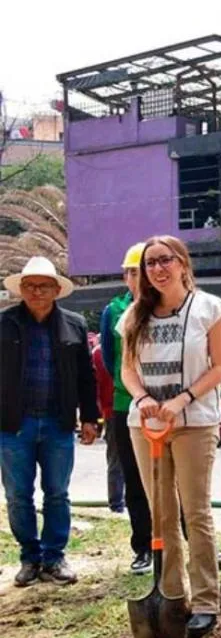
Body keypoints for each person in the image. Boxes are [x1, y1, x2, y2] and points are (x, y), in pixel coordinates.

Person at [120, 235, 221, 638]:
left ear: (183, 263)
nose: (158, 269)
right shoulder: (135, 314)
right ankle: (171, 594)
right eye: (150, 263)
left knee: (196, 512)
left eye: (165, 260)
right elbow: (127, 371)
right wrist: (145, 399)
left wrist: (181, 399)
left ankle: (205, 600)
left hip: (195, 421)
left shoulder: (210, 308)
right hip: (146, 425)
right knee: (161, 512)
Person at [1, 257, 99, 587]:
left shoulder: (73, 324)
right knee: (17, 495)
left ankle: (54, 557)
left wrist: (89, 417)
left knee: (57, 492)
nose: (37, 291)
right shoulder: (5, 323)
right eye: (30, 286)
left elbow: (87, 376)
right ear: (20, 290)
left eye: (44, 286)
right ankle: (30, 558)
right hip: (14, 425)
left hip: (58, 424)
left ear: (57, 290)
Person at [100, 242, 153, 575]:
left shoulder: (167, 307)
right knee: (134, 479)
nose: (139, 278)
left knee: (176, 481)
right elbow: (108, 358)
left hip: (167, 405)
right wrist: (128, 389)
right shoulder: (114, 311)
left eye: (143, 271)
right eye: (133, 272)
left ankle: (191, 540)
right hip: (126, 405)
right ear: (125, 276)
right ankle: (143, 547)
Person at [90, 331, 124, 515]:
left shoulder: (97, 353)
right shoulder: (100, 354)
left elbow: (95, 388)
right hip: (120, 409)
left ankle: (117, 503)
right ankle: (119, 502)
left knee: (115, 459)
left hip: (110, 411)